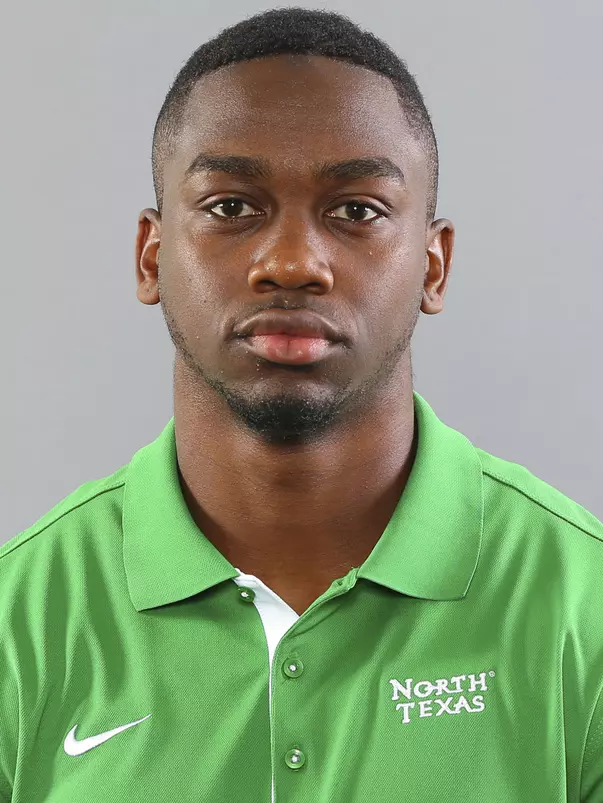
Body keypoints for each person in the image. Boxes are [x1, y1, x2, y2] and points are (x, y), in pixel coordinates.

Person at [1, 6, 602, 802]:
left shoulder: (583, 605)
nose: (290, 262)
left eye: (355, 210)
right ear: (152, 257)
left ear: (432, 266)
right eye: (230, 207)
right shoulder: (21, 621)